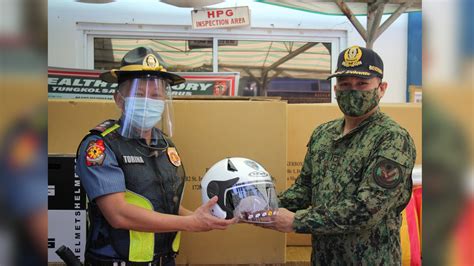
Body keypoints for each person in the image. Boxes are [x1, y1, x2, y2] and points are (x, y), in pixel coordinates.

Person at [76, 47, 235, 266]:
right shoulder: (101, 146)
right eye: (139, 95)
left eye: (156, 95)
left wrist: (203, 218)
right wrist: (190, 222)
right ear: (119, 100)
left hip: (165, 260)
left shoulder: (165, 145)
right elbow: (118, 214)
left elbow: (162, 203)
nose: (148, 101)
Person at [260, 46, 416, 264]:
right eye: (345, 84)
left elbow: (367, 209)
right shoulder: (324, 134)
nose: (352, 91)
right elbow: (304, 190)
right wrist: (262, 207)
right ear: (335, 89)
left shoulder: (392, 139)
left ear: (381, 88)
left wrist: (297, 221)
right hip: (324, 259)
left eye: (362, 84)